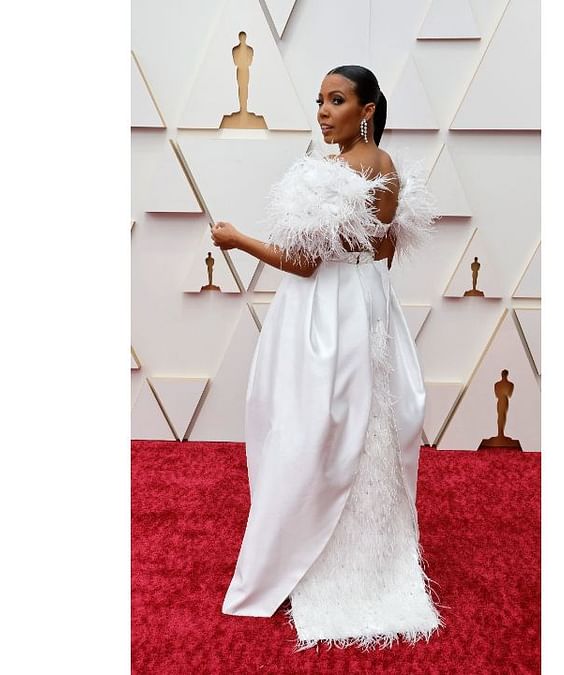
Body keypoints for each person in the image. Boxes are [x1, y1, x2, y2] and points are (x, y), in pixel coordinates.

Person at [209, 65, 442, 649]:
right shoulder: (386, 168)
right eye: (318, 100)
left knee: (308, 424)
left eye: (336, 100)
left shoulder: (344, 171)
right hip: (367, 308)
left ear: (366, 110)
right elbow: (383, 251)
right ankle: (358, 549)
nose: (322, 111)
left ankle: (303, 547)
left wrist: (236, 239)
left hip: (327, 312)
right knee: (361, 427)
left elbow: (305, 262)